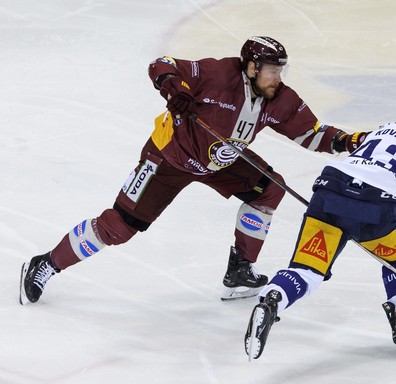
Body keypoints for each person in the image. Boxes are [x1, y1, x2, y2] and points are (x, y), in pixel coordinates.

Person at [19, 36, 366, 305]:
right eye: (273, 71)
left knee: (270, 189)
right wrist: (172, 85)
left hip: (223, 161)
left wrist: (349, 141)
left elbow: (312, 133)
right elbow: (163, 63)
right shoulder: (216, 74)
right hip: (168, 159)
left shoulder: (279, 98)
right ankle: (46, 263)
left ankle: (240, 270)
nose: (278, 78)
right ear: (251, 68)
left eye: (280, 71)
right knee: (120, 227)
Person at [244, 95, 396, 360]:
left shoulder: (382, 131)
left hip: (330, 192)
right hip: (375, 207)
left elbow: (382, 187)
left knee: (307, 271)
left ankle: (273, 299)